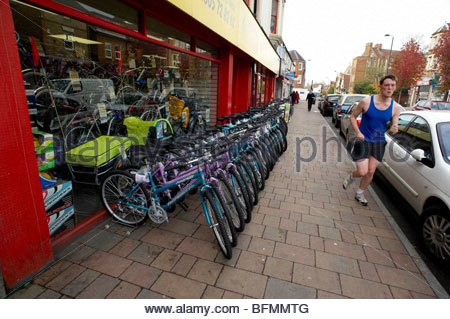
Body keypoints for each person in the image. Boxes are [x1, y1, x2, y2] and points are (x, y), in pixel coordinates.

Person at [342, 74, 401, 206]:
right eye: (387, 85)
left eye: (392, 85)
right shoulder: (366, 102)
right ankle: (352, 176)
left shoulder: (396, 107)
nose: (389, 88)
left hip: (379, 142)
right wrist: (358, 132)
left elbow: (394, 125)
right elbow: (352, 117)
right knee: (362, 171)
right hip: (363, 140)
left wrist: (394, 128)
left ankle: (359, 193)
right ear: (380, 87)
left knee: (370, 172)